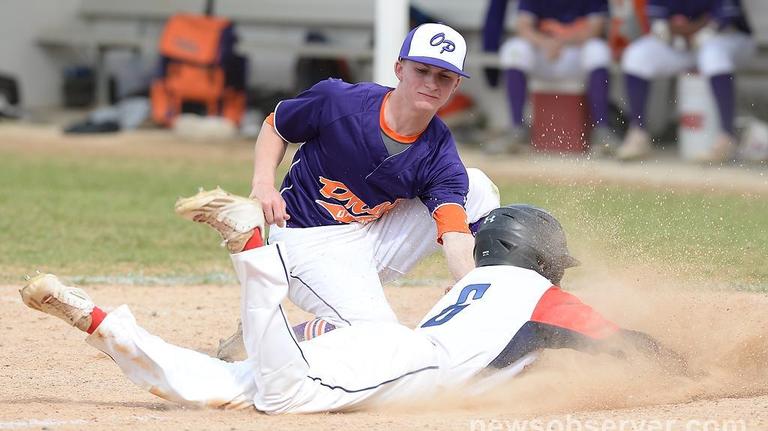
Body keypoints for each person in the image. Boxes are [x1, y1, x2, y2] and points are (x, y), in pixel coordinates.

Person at [19, 201, 686, 413]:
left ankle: (97, 318)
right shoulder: (540, 296)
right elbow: (606, 338)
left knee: (222, 385)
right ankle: (252, 250)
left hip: (383, 353)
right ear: (542, 260)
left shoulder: (472, 287)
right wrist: (683, 367)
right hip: (400, 362)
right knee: (279, 393)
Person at [202, 22, 500, 357]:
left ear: (456, 84)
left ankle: (485, 297)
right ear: (399, 69)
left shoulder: (439, 150)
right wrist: (263, 184)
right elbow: (277, 124)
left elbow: (455, 230)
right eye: (422, 70)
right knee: (377, 334)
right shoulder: (340, 102)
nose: (431, 83)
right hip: (304, 240)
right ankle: (269, 339)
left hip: (369, 237)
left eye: (443, 77)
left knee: (476, 187)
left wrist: (470, 287)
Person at [616, 0, 755, 162]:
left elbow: (723, 19)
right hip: (681, 42)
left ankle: (727, 137)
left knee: (712, 54)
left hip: (729, 39)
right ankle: (638, 134)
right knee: (636, 56)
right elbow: (659, 23)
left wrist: (690, 28)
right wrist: (689, 28)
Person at [482, 0, 619, 154]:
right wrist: (546, 43)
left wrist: (560, 42)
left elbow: (596, 28)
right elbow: (523, 26)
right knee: (514, 50)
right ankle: (516, 128)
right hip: (544, 52)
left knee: (599, 51)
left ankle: (602, 130)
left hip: (575, 51)